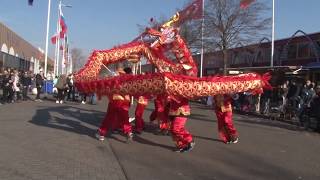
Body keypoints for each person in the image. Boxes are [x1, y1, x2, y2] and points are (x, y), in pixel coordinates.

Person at [96, 67, 133, 142]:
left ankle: (102, 134)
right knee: (124, 118)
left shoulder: (114, 77)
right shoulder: (126, 79)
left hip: (116, 101)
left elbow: (106, 87)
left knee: (109, 118)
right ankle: (129, 132)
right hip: (123, 101)